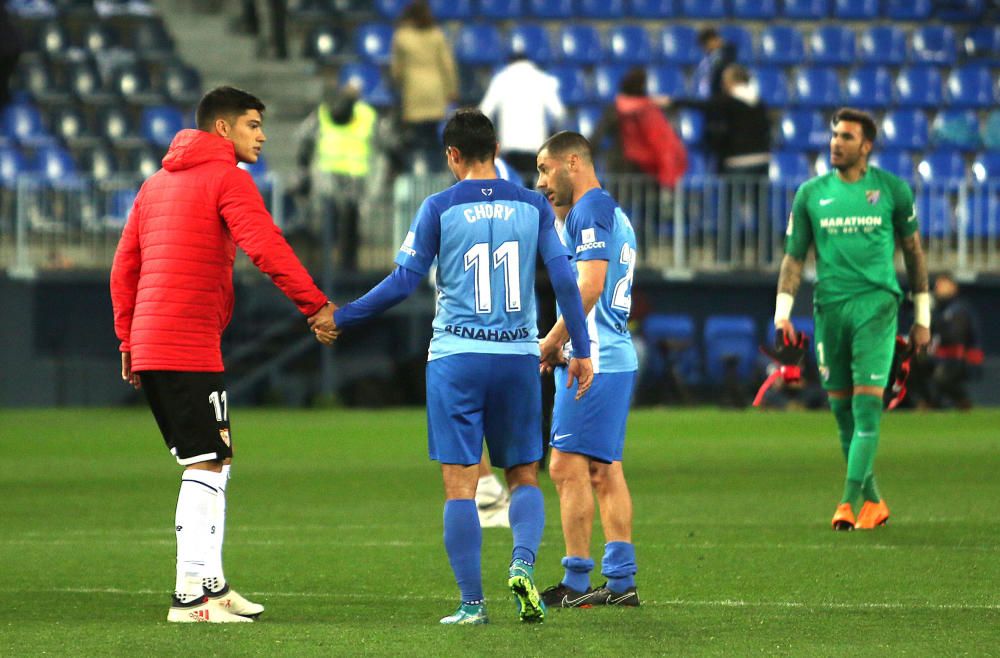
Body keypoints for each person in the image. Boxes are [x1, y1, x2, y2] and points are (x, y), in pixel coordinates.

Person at [313, 109, 594, 625]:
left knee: (459, 484)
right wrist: (580, 348)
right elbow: (565, 281)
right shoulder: (532, 204)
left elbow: (402, 283)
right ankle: (522, 565)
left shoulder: (438, 207)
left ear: (452, 156)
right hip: (517, 358)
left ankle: (472, 605)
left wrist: (342, 315)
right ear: (497, 146)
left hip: (457, 359)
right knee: (524, 475)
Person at [110, 86, 335, 623]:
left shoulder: (156, 183)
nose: (262, 134)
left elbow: (124, 266)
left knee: (215, 458)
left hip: (158, 338)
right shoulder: (228, 179)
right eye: (253, 124)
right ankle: (190, 596)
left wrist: (126, 338)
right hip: (184, 340)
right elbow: (265, 246)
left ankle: (211, 582)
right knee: (206, 462)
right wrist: (315, 304)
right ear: (223, 129)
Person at [773, 107, 930, 532]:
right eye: (834, 135)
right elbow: (794, 256)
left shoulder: (892, 191)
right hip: (830, 308)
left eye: (846, 137)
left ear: (866, 146)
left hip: (877, 306)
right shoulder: (810, 193)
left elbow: (914, 252)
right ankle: (874, 502)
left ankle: (846, 503)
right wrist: (783, 313)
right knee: (842, 412)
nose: (835, 143)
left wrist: (923, 316)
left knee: (867, 407)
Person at [534, 131, 641, 608]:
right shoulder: (608, 210)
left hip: (593, 357)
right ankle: (619, 584)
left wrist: (555, 340)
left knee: (564, 466)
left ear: (571, 163)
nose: (540, 181)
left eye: (544, 169)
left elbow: (591, 285)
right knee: (603, 468)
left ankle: (578, 581)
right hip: (609, 353)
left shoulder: (589, 211)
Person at [293, 77, 377, 271]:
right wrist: (304, 169)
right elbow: (304, 138)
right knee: (329, 223)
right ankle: (329, 266)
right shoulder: (322, 113)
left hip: (355, 177)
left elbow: (381, 143)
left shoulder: (367, 115)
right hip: (328, 177)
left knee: (351, 225)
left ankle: (348, 267)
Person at [389, 0, 458, 174]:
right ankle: (436, 172)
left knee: (416, 138)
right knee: (435, 138)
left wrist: (398, 85)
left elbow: (396, 70)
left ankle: (415, 171)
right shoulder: (437, 35)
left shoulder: (402, 36)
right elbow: (447, 65)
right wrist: (451, 89)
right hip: (436, 90)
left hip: (413, 92)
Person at [591, 66, 686, 189]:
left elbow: (596, 138)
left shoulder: (614, 109)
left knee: (618, 206)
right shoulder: (651, 110)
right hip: (648, 172)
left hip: (619, 170)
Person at [479, 52, 566, 186]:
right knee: (530, 188)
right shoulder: (542, 79)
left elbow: (485, 112)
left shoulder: (501, 79)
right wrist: (552, 132)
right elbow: (559, 113)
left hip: (510, 146)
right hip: (535, 147)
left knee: (512, 187)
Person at [909, 272, 982, 409]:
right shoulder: (937, 309)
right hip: (940, 357)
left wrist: (937, 322)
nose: (938, 289)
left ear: (953, 287)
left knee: (941, 376)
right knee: (913, 364)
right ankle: (928, 402)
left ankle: (962, 401)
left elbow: (955, 337)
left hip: (960, 359)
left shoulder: (960, 308)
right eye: (937, 285)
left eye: (943, 285)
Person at [692, 27, 737, 100]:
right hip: (711, 97)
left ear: (713, 40)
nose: (705, 49)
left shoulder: (729, 52)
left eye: (706, 45)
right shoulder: (707, 59)